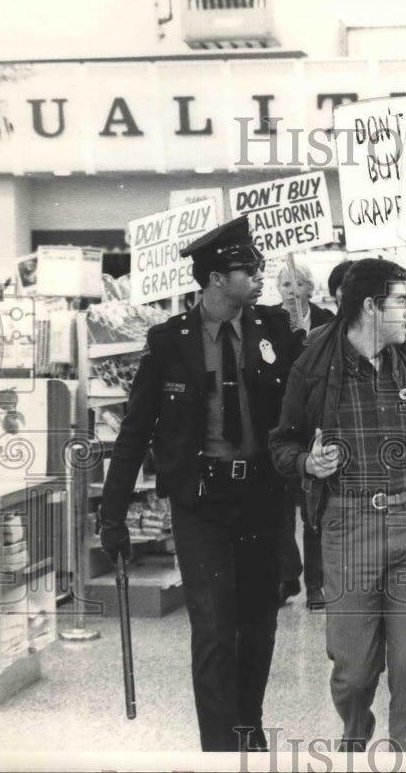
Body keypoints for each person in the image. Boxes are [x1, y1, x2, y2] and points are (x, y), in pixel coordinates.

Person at [98, 216, 303, 752]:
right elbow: (136, 430)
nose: (259, 276)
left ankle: (247, 727)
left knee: (258, 627)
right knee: (213, 629)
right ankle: (221, 750)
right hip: (201, 503)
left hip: (260, 498)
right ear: (216, 278)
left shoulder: (275, 331)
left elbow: (303, 402)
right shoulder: (169, 341)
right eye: (247, 269)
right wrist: (112, 515)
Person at [269, 258, 406, 751]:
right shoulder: (313, 362)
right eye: (400, 299)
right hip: (348, 525)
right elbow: (281, 445)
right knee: (352, 674)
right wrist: (309, 463)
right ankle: (355, 741)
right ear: (371, 307)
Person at [273, 261, 335, 610]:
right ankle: (287, 576)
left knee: (313, 511)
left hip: (315, 426)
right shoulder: (266, 321)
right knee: (279, 511)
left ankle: (315, 583)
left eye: (297, 283)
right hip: (280, 426)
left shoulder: (327, 322)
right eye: (284, 283)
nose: (291, 289)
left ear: (311, 289)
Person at [277, 260, 335, 333]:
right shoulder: (267, 318)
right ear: (278, 288)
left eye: (298, 284)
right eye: (286, 285)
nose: (292, 291)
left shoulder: (326, 319)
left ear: (310, 288)